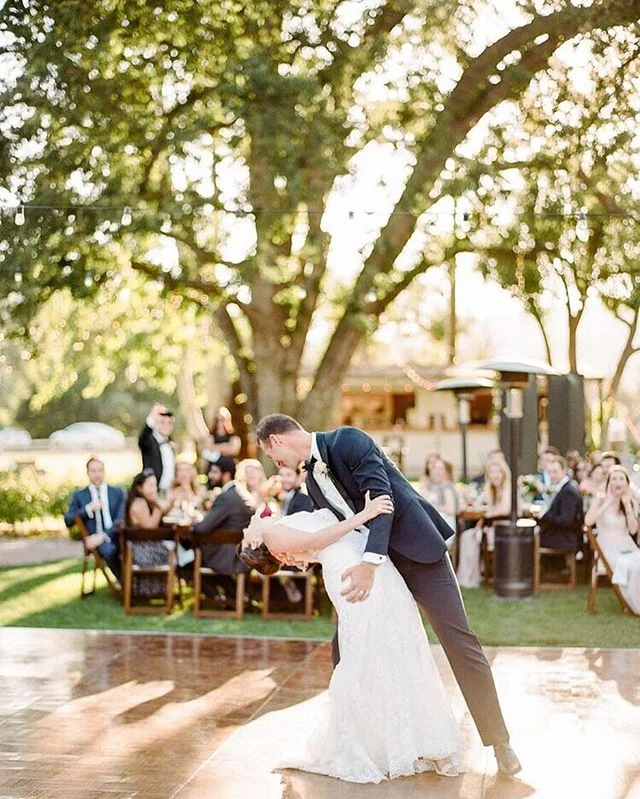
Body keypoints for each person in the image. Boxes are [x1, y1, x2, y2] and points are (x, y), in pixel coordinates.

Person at [253, 414, 521, 776]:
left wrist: (369, 563)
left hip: (418, 554)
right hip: (380, 573)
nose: (277, 464)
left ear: (275, 442)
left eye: (273, 456)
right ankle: (357, 742)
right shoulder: (311, 484)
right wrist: (305, 557)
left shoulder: (348, 439)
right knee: (345, 648)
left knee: (459, 641)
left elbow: (383, 500)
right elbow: (342, 528)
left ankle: (499, 742)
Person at [240, 492, 463, 781]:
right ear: (256, 544)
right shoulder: (271, 535)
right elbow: (317, 541)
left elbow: (308, 546)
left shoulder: (274, 524)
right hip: (349, 572)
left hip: (372, 565)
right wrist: (364, 515)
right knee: (371, 654)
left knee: (405, 644)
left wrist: (298, 553)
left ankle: (426, 741)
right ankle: (387, 744)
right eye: (244, 537)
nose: (245, 530)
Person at [191, 456, 255, 603]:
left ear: (225, 475)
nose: (210, 476)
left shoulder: (227, 497)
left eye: (214, 472)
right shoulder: (243, 493)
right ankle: (232, 596)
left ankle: (218, 597)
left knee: (186, 558)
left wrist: (194, 520)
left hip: (227, 556)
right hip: (242, 553)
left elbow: (202, 528)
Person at [585, 466, 640, 613]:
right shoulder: (601, 500)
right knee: (634, 567)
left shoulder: (630, 502)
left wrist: (628, 506)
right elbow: (588, 522)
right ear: (609, 482)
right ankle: (635, 605)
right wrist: (607, 503)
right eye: (614, 479)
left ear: (627, 484)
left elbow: (633, 530)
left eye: (621, 479)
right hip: (607, 549)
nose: (617, 482)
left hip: (627, 545)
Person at [64, 457, 125, 580]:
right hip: (95, 541)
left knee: (131, 548)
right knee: (110, 550)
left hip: (116, 535)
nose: (97, 474)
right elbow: (68, 520)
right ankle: (125, 584)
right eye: (93, 471)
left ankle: (137, 582)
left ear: (104, 471)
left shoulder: (117, 492)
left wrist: (104, 535)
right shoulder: (80, 495)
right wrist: (87, 509)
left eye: (100, 470)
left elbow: (121, 518)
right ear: (88, 473)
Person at [456, 459, 511, 589]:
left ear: (503, 473)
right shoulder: (491, 490)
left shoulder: (508, 489)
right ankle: (468, 577)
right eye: (492, 472)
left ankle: (475, 575)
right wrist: (480, 524)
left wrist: (486, 515)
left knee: (472, 537)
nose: (495, 475)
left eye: (498, 472)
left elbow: (504, 511)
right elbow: (482, 509)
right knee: (467, 535)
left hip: (503, 529)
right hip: (491, 526)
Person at [125, 469, 173, 597]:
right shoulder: (139, 503)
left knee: (180, 549)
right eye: (150, 485)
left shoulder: (146, 502)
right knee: (181, 552)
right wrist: (158, 505)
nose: (154, 489)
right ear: (140, 488)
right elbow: (150, 527)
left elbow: (166, 510)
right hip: (143, 552)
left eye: (155, 485)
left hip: (148, 547)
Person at [537, 456, 583, 551]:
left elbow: (566, 520)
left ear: (564, 470)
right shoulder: (564, 488)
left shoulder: (568, 491)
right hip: (560, 537)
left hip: (564, 539)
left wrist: (543, 515)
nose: (552, 475)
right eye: (549, 472)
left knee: (530, 542)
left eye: (555, 472)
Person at [138, 403, 178, 494]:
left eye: (170, 423)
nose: (166, 425)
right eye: (162, 422)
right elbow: (142, 438)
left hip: (169, 492)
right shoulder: (149, 441)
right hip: (153, 492)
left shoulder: (170, 443)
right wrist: (153, 415)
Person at [421, 457, 457, 535]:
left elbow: (451, 509)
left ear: (447, 471)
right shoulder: (435, 486)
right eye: (435, 468)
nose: (437, 471)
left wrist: (432, 507)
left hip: (445, 528)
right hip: (437, 527)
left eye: (441, 468)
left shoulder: (446, 487)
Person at [200, 406, 241, 473]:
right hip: (214, 467)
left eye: (222, 419)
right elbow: (208, 448)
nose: (219, 422)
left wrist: (215, 448)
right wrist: (226, 446)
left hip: (229, 466)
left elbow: (234, 450)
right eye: (217, 419)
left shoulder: (233, 435)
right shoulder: (211, 435)